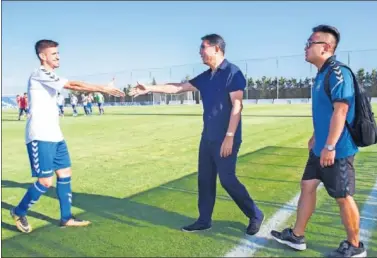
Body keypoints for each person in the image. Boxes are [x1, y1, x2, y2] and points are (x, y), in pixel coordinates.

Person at [129, 34, 264, 235]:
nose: (200, 51)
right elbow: (179, 87)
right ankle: (204, 220)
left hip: (226, 137)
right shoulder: (206, 76)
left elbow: (237, 104)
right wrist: (149, 88)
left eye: (203, 47)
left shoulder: (232, 72)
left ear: (217, 49)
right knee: (205, 179)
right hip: (208, 137)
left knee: (227, 180)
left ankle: (255, 214)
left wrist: (229, 136)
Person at [270, 25, 366, 258]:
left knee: (343, 196)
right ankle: (297, 235)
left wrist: (330, 145)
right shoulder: (322, 73)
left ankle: (355, 246)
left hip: (337, 149)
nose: (305, 47)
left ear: (325, 47)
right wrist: (317, 136)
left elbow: (341, 110)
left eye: (309, 43)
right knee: (308, 185)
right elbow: (325, 111)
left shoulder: (337, 72)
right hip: (321, 146)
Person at [10, 39, 124, 233]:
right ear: (42, 56)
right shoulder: (39, 74)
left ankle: (66, 218)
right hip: (40, 136)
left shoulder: (50, 75)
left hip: (56, 135)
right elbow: (72, 85)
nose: (58, 56)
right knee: (45, 182)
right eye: (54, 54)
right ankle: (19, 211)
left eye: (58, 53)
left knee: (65, 174)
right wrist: (102, 88)